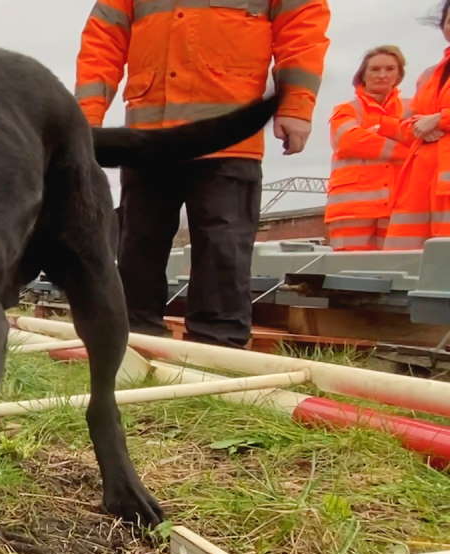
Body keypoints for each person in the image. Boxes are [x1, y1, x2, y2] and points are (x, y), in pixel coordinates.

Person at [76, 0, 331, 347]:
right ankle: (133, 339)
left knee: (222, 245)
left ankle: (218, 345)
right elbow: (102, 40)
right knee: (139, 244)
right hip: (152, 134)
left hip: (227, 134)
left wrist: (297, 105)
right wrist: (85, 119)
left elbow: (302, 30)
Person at [325, 47, 411, 249]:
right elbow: (349, 141)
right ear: (363, 74)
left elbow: (425, 139)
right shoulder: (347, 109)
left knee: (396, 271)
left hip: (398, 208)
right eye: (375, 69)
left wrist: (376, 133)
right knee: (350, 274)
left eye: (390, 69)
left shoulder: (412, 108)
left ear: (399, 74)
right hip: (352, 210)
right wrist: (406, 151)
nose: (382, 75)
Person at [385, 2, 450, 250]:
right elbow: (408, 120)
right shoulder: (429, 75)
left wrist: (439, 119)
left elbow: (432, 117)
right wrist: (417, 125)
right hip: (419, 180)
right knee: (405, 257)